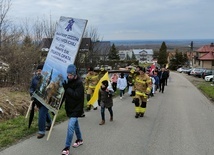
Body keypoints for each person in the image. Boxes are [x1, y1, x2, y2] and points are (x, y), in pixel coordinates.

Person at [61, 64, 84, 155]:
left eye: (70, 75)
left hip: (77, 108)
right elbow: (65, 95)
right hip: (69, 108)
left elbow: (76, 95)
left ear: (75, 74)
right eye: (68, 75)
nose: (69, 76)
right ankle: (79, 139)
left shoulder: (79, 83)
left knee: (70, 126)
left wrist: (67, 89)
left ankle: (66, 148)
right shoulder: (68, 82)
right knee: (75, 125)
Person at [29, 64, 52, 139]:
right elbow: (31, 88)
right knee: (44, 112)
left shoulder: (48, 78)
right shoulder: (34, 78)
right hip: (37, 99)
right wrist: (32, 93)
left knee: (41, 114)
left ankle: (41, 131)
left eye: (40, 70)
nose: (39, 72)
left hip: (46, 99)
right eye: (38, 70)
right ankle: (49, 123)